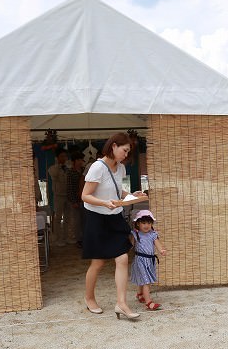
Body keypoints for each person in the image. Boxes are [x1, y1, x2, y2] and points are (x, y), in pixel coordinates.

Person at [80, 133, 145, 320]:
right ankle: (89, 298)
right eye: (124, 150)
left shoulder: (121, 168)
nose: (126, 155)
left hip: (115, 217)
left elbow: (117, 190)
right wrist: (104, 203)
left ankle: (121, 304)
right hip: (97, 218)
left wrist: (132, 195)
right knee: (98, 262)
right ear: (114, 146)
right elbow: (85, 195)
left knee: (123, 258)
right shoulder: (97, 167)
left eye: (128, 152)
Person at [129, 209, 167, 311]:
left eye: (149, 223)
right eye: (143, 223)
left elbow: (157, 244)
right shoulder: (136, 234)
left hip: (150, 261)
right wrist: (131, 238)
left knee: (143, 279)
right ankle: (149, 302)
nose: (147, 225)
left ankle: (140, 294)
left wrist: (161, 250)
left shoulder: (152, 234)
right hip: (140, 260)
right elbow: (130, 246)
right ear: (137, 224)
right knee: (146, 281)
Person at [47, 148, 70, 247]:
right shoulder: (53, 168)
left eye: (65, 156)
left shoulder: (68, 167)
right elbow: (54, 175)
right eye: (62, 156)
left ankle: (66, 237)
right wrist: (58, 165)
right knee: (58, 218)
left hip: (68, 195)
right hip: (58, 196)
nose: (64, 158)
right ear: (57, 157)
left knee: (68, 217)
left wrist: (66, 166)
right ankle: (57, 238)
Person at [66, 153, 86, 245]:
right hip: (75, 199)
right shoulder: (70, 172)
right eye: (78, 160)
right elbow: (69, 188)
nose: (80, 162)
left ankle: (85, 238)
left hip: (85, 200)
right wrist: (73, 201)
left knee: (84, 220)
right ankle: (79, 240)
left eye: (81, 160)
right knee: (77, 221)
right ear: (74, 161)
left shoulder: (84, 170)